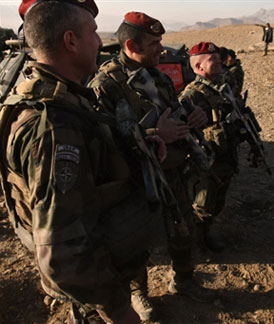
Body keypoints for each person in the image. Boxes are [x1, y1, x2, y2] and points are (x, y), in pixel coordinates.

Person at [0, 1, 173, 323]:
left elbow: (94, 154)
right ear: (71, 41)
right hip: (96, 286)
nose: (98, 41)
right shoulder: (55, 127)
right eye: (92, 33)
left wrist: (141, 139)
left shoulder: (64, 98)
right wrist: (118, 310)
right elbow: (61, 253)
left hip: (104, 263)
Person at [88, 11, 214, 321]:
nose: (161, 48)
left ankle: (183, 280)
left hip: (172, 171)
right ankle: (138, 292)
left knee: (183, 229)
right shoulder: (106, 84)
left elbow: (173, 112)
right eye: (154, 43)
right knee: (135, 243)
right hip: (135, 178)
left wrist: (193, 117)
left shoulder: (157, 74)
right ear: (131, 44)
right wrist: (155, 134)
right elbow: (103, 142)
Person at [179, 42, 242, 252]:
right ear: (198, 68)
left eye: (218, 58)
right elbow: (181, 129)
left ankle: (204, 234)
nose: (218, 62)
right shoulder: (191, 95)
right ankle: (193, 242)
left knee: (218, 201)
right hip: (207, 162)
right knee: (202, 204)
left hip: (225, 157)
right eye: (212, 60)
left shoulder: (223, 86)